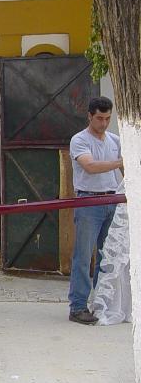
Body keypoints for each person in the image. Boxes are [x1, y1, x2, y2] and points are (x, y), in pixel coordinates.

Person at [68, 96, 123, 325]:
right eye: (99, 118)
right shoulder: (79, 140)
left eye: (108, 118)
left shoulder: (114, 140)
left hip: (113, 199)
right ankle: (78, 306)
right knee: (83, 256)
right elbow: (89, 167)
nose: (104, 123)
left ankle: (102, 303)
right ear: (90, 116)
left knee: (108, 254)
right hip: (89, 202)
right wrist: (119, 162)